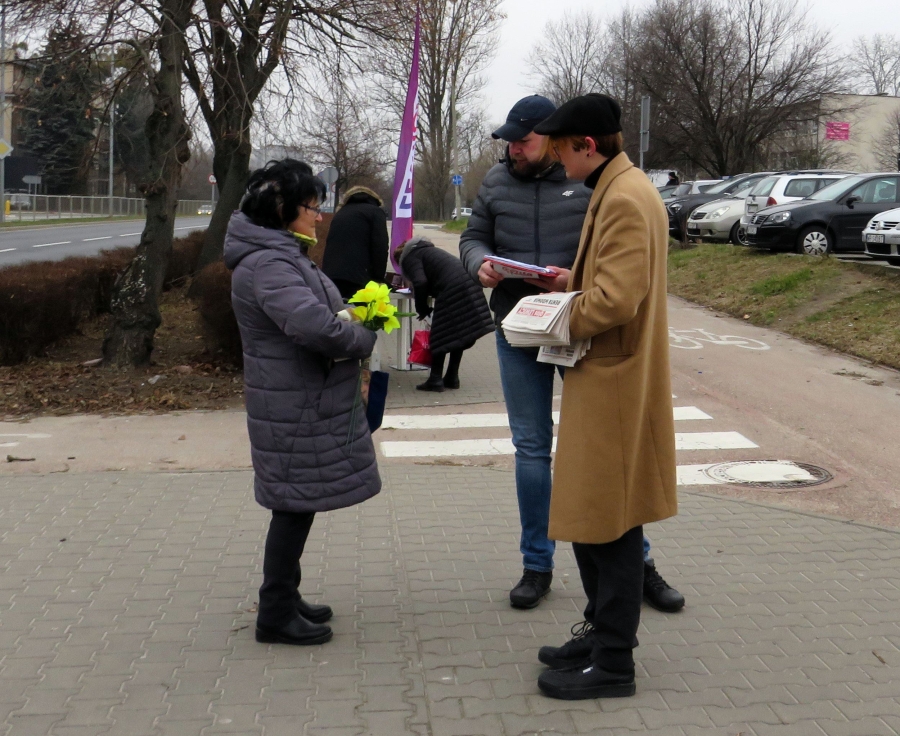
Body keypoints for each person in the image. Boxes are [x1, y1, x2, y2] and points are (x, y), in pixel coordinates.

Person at [459, 95, 684, 613]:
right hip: (518, 327)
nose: (514, 150)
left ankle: (638, 564)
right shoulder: (496, 182)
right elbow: (473, 237)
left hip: (578, 329)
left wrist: (570, 283)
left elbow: (613, 269)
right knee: (531, 448)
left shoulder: (593, 182)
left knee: (606, 452)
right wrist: (478, 263)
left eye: (524, 141)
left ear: (557, 141)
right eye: (509, 142)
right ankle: (536, 564)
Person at [528, 94, 678, 700]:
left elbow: (617, 300)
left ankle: (614, 661)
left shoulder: (622, 197)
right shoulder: (620, 187)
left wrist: (550, 318)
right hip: (610, 375)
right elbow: (615, 283)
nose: (557, 161)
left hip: (613, 380)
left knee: (609, 525)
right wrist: (574, 282)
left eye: (561, 150)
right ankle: (600, 636)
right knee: (595, 518)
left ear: (587, 145)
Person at [224, 159, 381, 646]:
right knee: (292, 506)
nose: (319, 215)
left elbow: (316, 313)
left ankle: (286, 596)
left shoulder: (281, 255)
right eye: (311, 207)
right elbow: (313, 327)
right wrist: (361, 336)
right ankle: (274, 613)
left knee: (297, 502)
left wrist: (354, 314)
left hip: (297, 396)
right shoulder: (270, 264)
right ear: (282, 211)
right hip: (292, 402)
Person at [395, 236, 494, 392]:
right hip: (469, 285)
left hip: (453, 290)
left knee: (440, 335)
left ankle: (435, 379)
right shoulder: (428, 251)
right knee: (459, 334)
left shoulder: (409, 257)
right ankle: (452, 377)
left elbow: (420, 282)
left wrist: (421, 308)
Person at [321, 185, 389, 299]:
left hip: (330, 277)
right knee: (362, 310)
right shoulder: (375, 212)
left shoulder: (340, 213)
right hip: (358, 278)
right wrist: (378, 278)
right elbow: (380, 247)